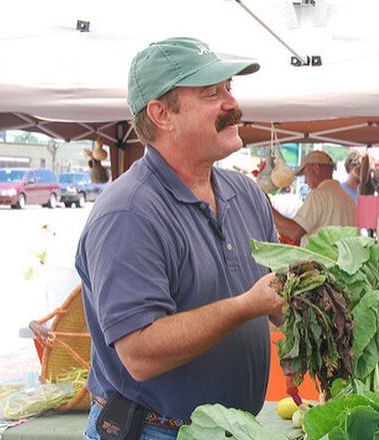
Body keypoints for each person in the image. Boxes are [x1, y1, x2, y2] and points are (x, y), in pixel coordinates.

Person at [75, 37, 284, 440]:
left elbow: (276, 294)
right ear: (161, 114)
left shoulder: (247, 194)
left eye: (229, 89)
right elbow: (139, 353)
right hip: (152, 432)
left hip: (234, 430)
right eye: (211, 93)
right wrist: (245, 306)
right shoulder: (129, 213)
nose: (231, 104)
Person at [271, 150, 356, 246]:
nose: (306, 181)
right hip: (343, 259)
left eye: (306, 175)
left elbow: (294, 232)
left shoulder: (318, 195)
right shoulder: (348, 198)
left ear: (316, 169)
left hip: (321, 260)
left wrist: (268, 207)